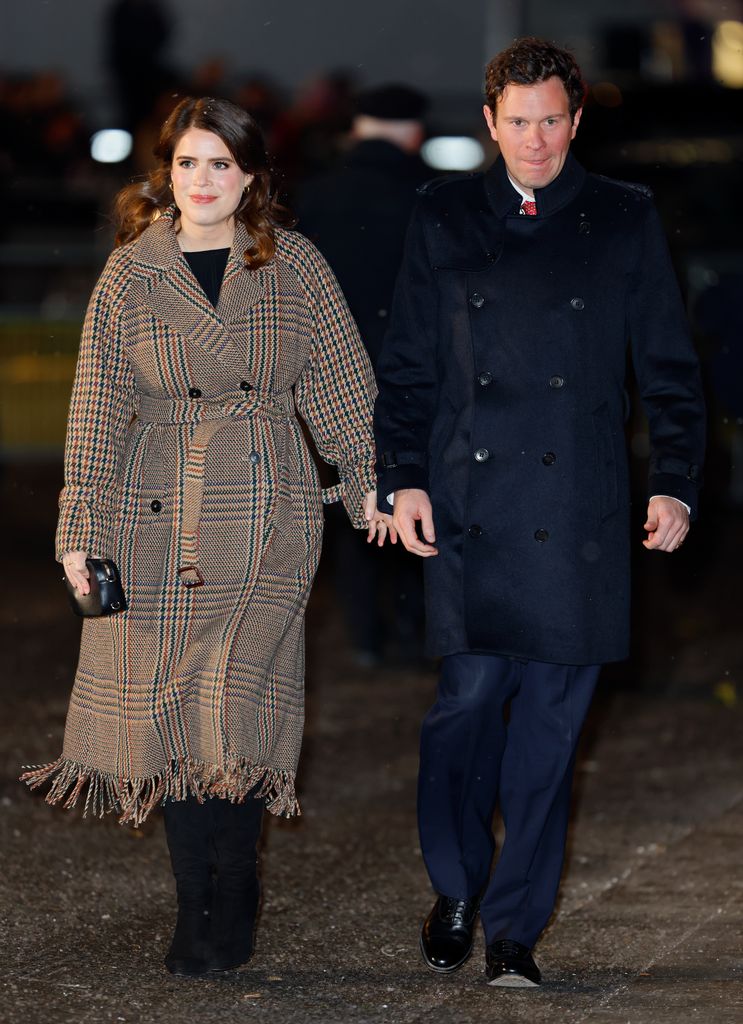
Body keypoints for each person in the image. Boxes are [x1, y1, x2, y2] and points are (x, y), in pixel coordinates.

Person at [22, 96, 390, 977]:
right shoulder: (130, 275)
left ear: (252, 176)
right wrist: (80, 530)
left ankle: (238, 885)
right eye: (187, 163)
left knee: (234, 698)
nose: (203, 181)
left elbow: (342, 385)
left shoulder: (294, 264)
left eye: (221, 164)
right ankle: (204, 904)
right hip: (156, 515)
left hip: (268, 510)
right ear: (165, 173)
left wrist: (371, 490)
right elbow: (97, 412)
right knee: (175, 716)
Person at [370, 38, 705, 988]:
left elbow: (670, 372)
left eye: (551, 119)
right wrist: (403, 477)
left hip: (580, 513)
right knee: (466, 708)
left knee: (551, 737)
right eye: (517, 121)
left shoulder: (623, 217)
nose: (535, 138)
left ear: (576, 119)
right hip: (470, 505)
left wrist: (674, 481)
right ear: (488, 122)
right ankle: (458, 883)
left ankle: (515, 928)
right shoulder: (440, 213)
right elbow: (409, 371)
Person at [297, 84, 430, 665]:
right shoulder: (430, 197)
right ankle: (412, 622)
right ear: (415, 134)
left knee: (353, 494)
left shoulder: (315, 195)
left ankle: (363, 632)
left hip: (329, 371)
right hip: (415, 371)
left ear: (357, 129)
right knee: (416, 487)